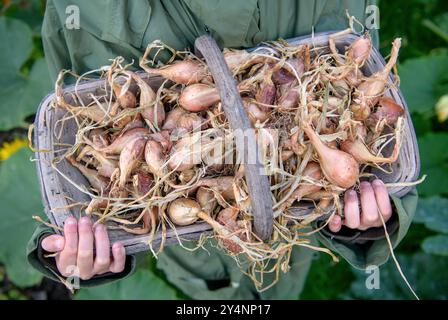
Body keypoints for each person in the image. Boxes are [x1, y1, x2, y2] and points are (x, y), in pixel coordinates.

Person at [27, 0, 418, 299]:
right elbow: (70, 124)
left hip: (292, 220)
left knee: (280, 279)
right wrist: (86, 246)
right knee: (207, 285)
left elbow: (363, 97)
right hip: (185, 241)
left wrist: (364, 222)